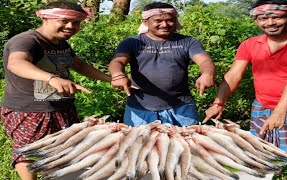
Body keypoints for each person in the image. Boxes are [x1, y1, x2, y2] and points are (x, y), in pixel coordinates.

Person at [203, 0, 287, 179]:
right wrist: (218, 103)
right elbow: (234, 74)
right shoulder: (250, 44)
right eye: (263, 18)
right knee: (261, 150)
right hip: (262, 106)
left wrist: (280, 111)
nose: (270, 23)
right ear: (255, 20)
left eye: (276, 17)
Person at [1, 1, 111, 180]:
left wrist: (110, 79)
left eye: (76, 22)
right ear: (45, 17)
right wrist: (51, 78)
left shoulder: (61, 43)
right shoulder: (27, 41)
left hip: (60, 106)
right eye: (64, 21)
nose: (70, 26)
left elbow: (79, 65)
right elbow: (16, 63)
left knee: (62, 151)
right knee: (30, 152)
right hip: (30, 110)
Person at [108, 2, 216, 127]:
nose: (164, 25)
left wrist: (208, 73)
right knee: (139, 145)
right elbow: (118, 61)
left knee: (186, 144)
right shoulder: (132, 42)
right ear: (145, 22)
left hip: (181, 108)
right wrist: (117, 74)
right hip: (140, 109)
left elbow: (204, 61)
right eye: (158, 21)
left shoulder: (188, 42)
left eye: (170, 20)